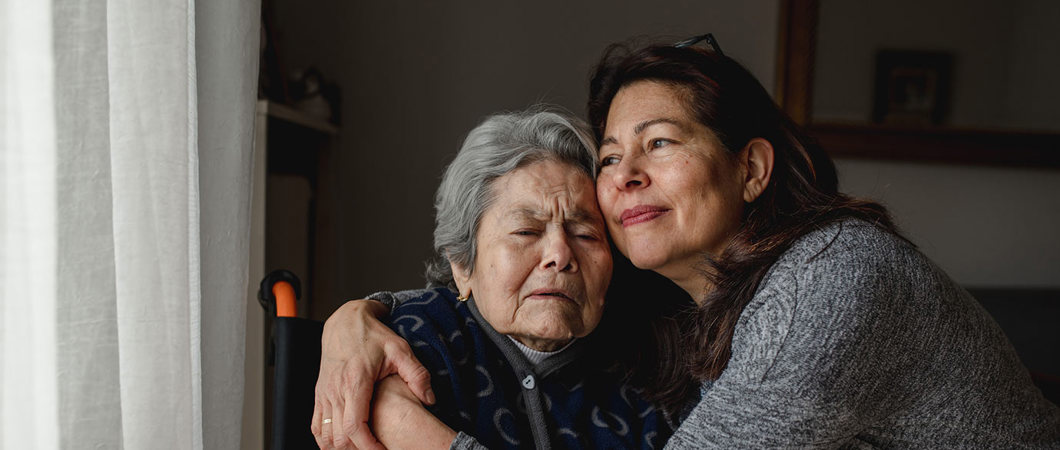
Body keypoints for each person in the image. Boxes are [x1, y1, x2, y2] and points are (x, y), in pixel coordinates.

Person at [314, 35, 1060, 449]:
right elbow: (498, 290)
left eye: (660, 142)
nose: (626, 176)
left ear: (752, 169)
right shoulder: (681, 304)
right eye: (609, 158)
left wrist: (420, 439)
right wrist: (354, 318)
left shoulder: (828, 283)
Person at [313, 107, 670, 449]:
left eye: (586, 235)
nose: (560, 256)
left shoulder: (643, 378)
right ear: (462, 264)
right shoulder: (409, 349)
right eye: (526, 232)